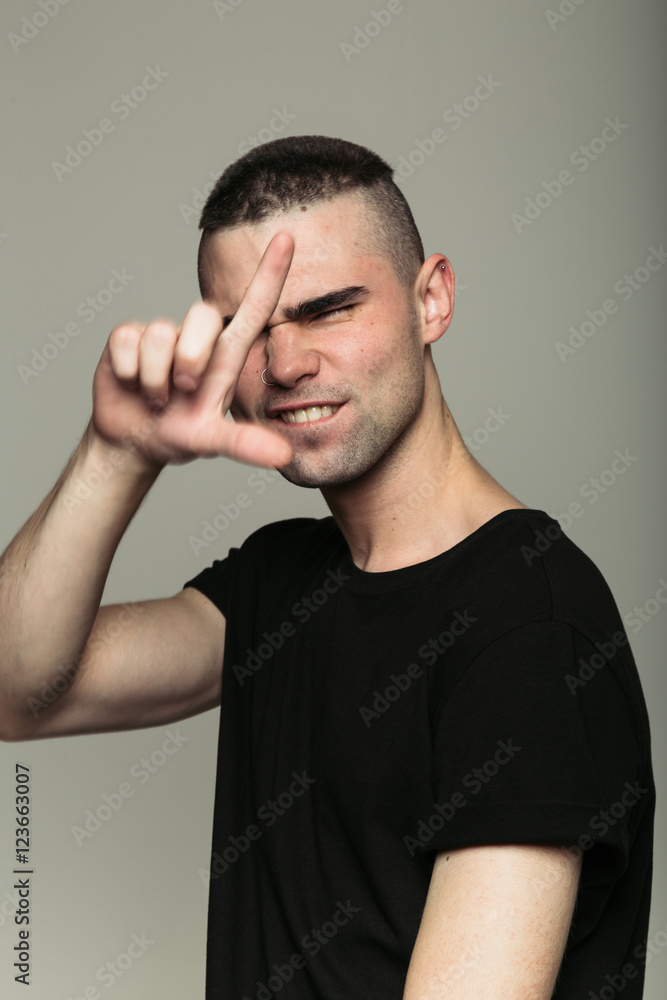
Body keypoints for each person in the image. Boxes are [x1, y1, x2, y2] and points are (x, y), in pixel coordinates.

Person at [0, 135, 654, 1000]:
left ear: (431, 300)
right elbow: (17, 690)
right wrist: (117, 452)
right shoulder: (279, 580)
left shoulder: (531, 626)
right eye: (246, 331)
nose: (283, 365)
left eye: (328, 309)